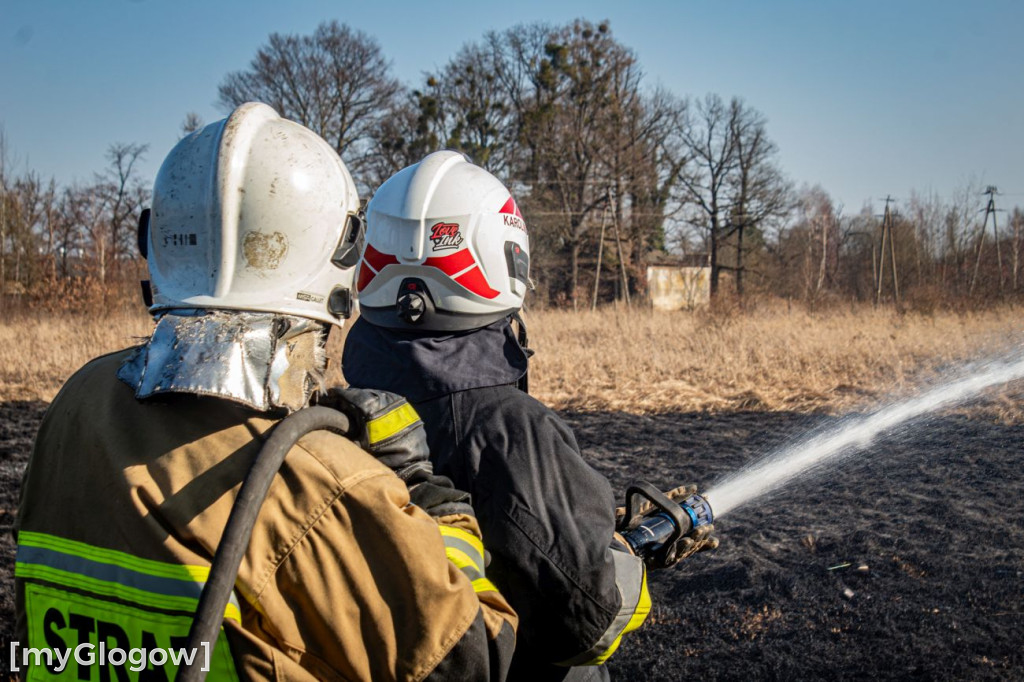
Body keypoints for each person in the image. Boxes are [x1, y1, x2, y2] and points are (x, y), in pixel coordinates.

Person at [14, 105, 516, 681]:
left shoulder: (76, 407)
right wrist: (430, 503)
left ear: (160, 244)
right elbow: (478, 659)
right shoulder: (324, 481)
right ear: (340, 254)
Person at [342, 151, 717, 681]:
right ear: (505, 259)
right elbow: (588, 625)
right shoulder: (512, 431)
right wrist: (627, 555)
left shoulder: (335, 414)